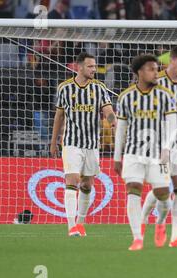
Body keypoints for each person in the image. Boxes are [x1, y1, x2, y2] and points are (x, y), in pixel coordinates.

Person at [114, 54, 177, 251]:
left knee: (166, 191)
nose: (155, 72)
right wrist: (117, 156)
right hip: (135, 152)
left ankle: (162, 223)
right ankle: (137, 237)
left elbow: (175, 121)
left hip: (167, 149)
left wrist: (167, 146)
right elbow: (121, 128)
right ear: (139, 71)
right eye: (151, 68)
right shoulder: (127, 97)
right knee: (133, 187)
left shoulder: (176, 91)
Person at [50, 52, 117, 236]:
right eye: (90, 66)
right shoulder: (65, 88)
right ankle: (71, 226)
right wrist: (53, 141)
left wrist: (113, 122)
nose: (94, 69)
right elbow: (59, 116)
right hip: (71, 142)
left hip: (92, 145)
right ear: (79, 67)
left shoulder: (99, 88)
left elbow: (108, 110)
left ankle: (80, 223)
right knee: (71, 181)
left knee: (87, 185)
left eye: (95, 66)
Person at [140, 47, 177, 247]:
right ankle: (144, 219)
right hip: (158, 139)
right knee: (161, 187)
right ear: (171, 61)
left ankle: (176, 237)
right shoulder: (156, 82)